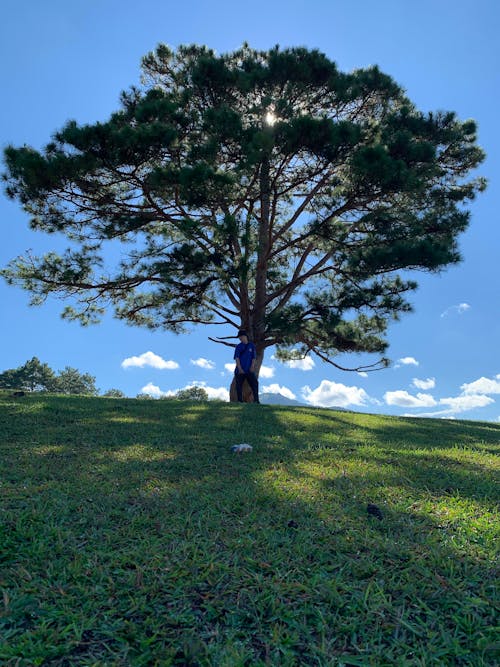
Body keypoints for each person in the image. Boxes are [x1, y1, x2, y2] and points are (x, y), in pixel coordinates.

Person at [234, 329, 260, 403]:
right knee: (239, 386)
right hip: (240, 370)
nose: (239, 338)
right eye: (239, 337)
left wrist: (252, 367)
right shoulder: (238, 346)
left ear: (245, 336)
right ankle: (240, 401)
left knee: (255, 384)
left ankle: (256, 400)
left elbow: (254, 358)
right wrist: (239, 368)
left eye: (240, 336)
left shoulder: (251, 345)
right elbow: (237, 358)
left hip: (249, 370)